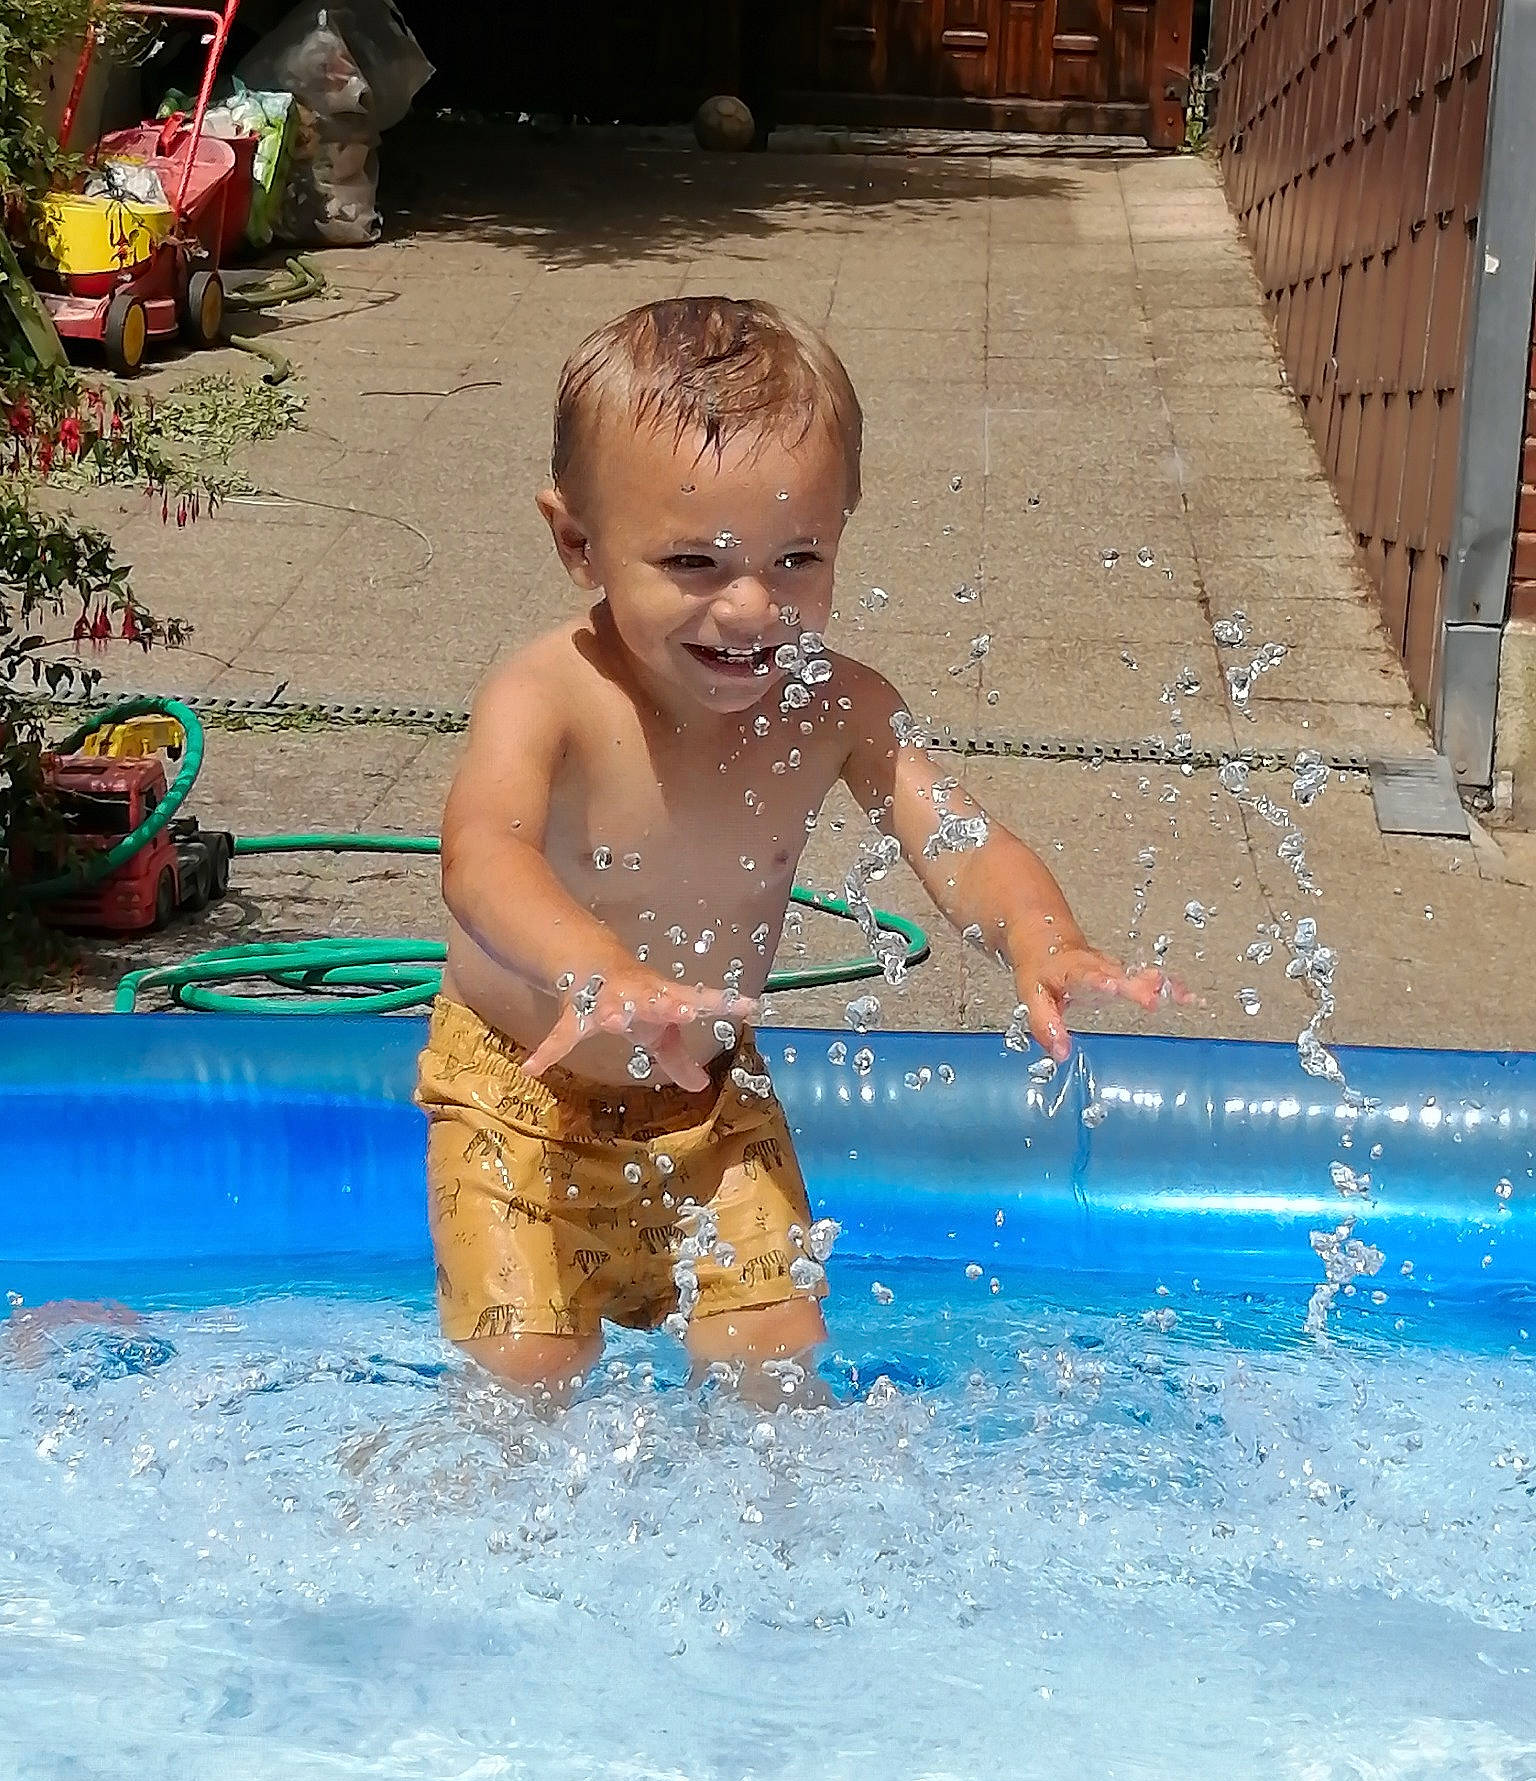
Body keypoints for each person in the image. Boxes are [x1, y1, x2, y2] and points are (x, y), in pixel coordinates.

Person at [418, 296, 1175, 1406]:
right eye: (691, 560)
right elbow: (481, 855)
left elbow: (958, 834)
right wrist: (597, 968)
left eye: (796, 556)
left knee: (777, 1352)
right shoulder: (548, 694)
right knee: (532, 1370)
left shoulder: (836, 706)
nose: (750, 606)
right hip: (517, 1095)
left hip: (715, 1096)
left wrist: (1038, 931)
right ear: (577, 542)